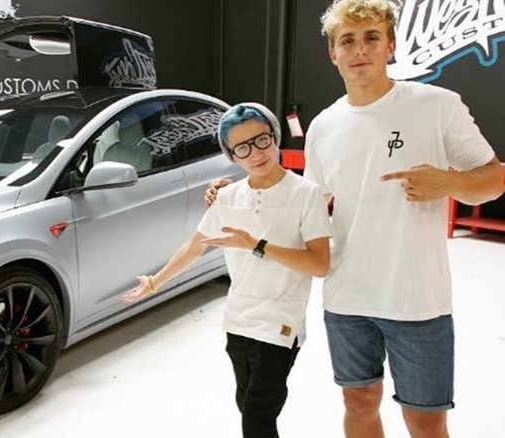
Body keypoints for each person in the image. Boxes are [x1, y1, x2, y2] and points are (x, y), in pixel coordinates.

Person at [206, 1, 505, 437]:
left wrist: (447, 183)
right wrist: (230, 193)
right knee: (359, 402)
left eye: (371, 38)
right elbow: (302, 201)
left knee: (425, 421)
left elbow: (494, 179)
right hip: (347, 297)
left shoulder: (436, 105)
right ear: (333, 53)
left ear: (391, 45)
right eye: (347, 40)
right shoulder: (325, 126)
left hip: (417, 298)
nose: (359, 49)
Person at [124, 102, 332, 437]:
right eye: (242, 148)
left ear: (275, 137)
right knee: (248, 405)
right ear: (232, 156)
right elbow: (195, 246)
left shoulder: (306, 194)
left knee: (257, 416)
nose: (256, 153)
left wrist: (257, 245)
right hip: (238, 320)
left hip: (280, 323)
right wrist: (154, 282)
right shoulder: (228, 196)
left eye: (261, 140)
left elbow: (319, 264)